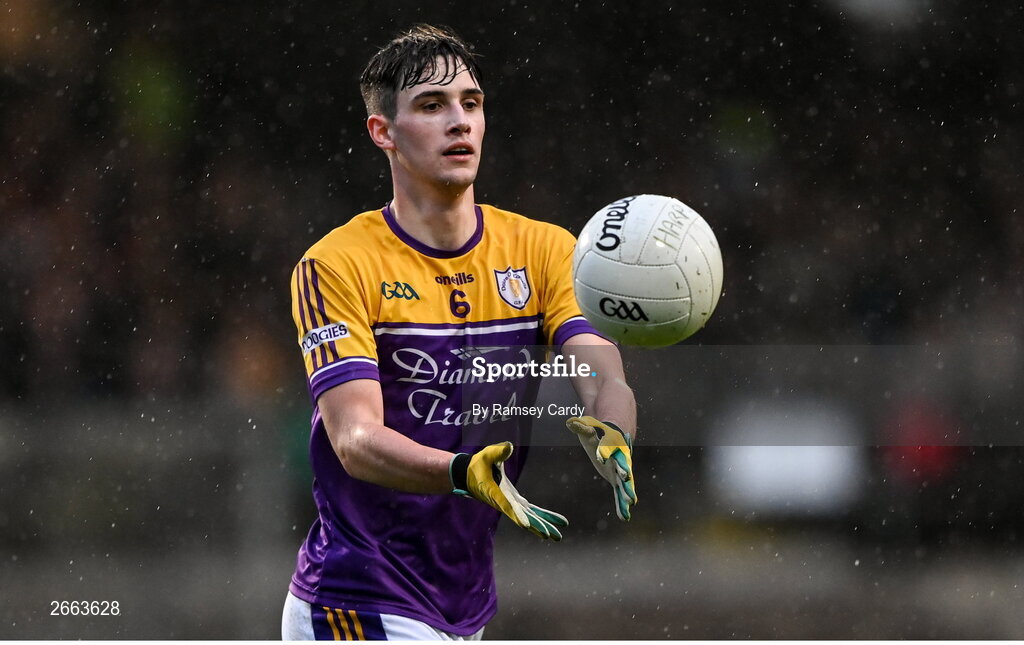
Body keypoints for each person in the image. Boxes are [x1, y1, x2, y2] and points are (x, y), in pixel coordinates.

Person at [281, 24, 637, 641]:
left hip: (463, 603)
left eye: (470, 104)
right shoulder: (335, 265)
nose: (459, 122)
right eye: (431, 106)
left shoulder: (544, 249)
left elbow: (600, 368)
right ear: (382, 132)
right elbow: (355, 439)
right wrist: (460, 470)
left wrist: (614, 430)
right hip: (358, 595)